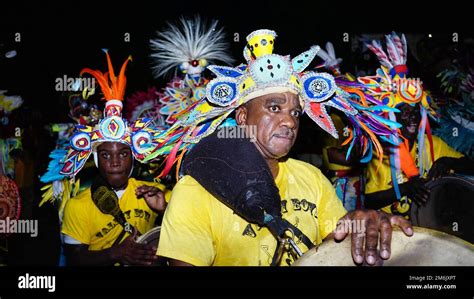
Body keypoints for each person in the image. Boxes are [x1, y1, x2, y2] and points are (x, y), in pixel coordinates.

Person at [155, 29, 413, 266]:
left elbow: (337, 244)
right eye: (274, 108)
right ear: (243, 118)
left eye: (296, 113)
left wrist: (364, 225)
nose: (290, 121)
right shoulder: (196, 189)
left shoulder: (311, 177)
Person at [59, 51, 169, 266]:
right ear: (97, 159)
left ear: (134, 157)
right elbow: (74, 259)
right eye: (106, 155)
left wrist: (164, 210)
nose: (116, 161)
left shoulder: (152, 193)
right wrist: (116, 254)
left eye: (123, 154)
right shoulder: (78, 206)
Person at [360, 32, 474, 218]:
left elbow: (470, 167)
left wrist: (449, 161)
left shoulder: (432, 144)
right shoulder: (382, 153)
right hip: (390, 227)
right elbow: (370, 201)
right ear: (391, 117)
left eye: (414, 111)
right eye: (403, 112)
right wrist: (405, 188)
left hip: (426, 226)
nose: (412, 117)